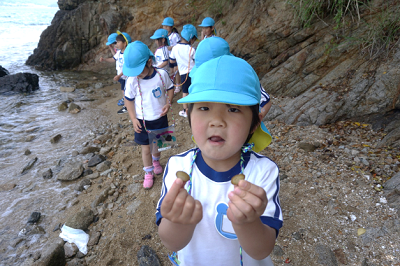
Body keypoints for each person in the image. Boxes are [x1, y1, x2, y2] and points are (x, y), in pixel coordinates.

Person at [156, 55, 282, 266]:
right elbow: (172, 243)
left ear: (254, 124)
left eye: (233, 109)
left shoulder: (263, 172)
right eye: (204, 108)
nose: (217, 121)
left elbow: (261, 251)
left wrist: (248, 223)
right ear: (188, 114)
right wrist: (178, 223)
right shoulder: (179, 167)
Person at [189, 37, 272, 151]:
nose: (216, 121)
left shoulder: (241, 78)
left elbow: (266, 101)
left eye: (233, 109)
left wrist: (251, 124)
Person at [123, 41, 174, 189]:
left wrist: (168, 103)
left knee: (158, 144)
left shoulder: (161, 74)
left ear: (149, 62)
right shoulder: (132, 80)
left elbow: (170, 88)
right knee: (145, 148)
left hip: (159, 118)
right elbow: (128, 100)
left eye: (139, 70)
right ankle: (148, 172)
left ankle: (156, 161)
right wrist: (133, 118)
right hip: (142, 121)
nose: (136, 74)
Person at [100, 31, 132, 114]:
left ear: (124, 43)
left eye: (118, 42)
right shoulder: (119, 53)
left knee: (125, 91)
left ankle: (126, 107)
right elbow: (113, 59)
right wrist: (104, 60)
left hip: (126, 76)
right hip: (122, 76)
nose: (116, 44)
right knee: (124, 91)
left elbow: (126, 67)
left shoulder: (126, 54)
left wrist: (119, 75)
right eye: (116, 42)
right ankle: (128, 104)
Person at [169, 24, 197, 118]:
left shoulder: (175, 48)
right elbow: (197, 60)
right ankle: (197, 109)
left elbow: (172, 60)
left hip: (183, 74)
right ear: (191, 38)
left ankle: (186, 110)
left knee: (185, 92)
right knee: (194, 90)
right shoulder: (191, 49)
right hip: (194, 73)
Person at [162, 17, 182, 94]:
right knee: (172, 71)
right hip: (169, 57)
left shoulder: (175, 35)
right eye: (164, 26)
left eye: (167, 26)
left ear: (171, 27)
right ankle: (171, 85)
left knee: (176, 71)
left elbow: (179, 45)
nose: (165, 28)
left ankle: (178, 85)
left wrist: (171, 47)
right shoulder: (164, 35)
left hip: (175, 56)